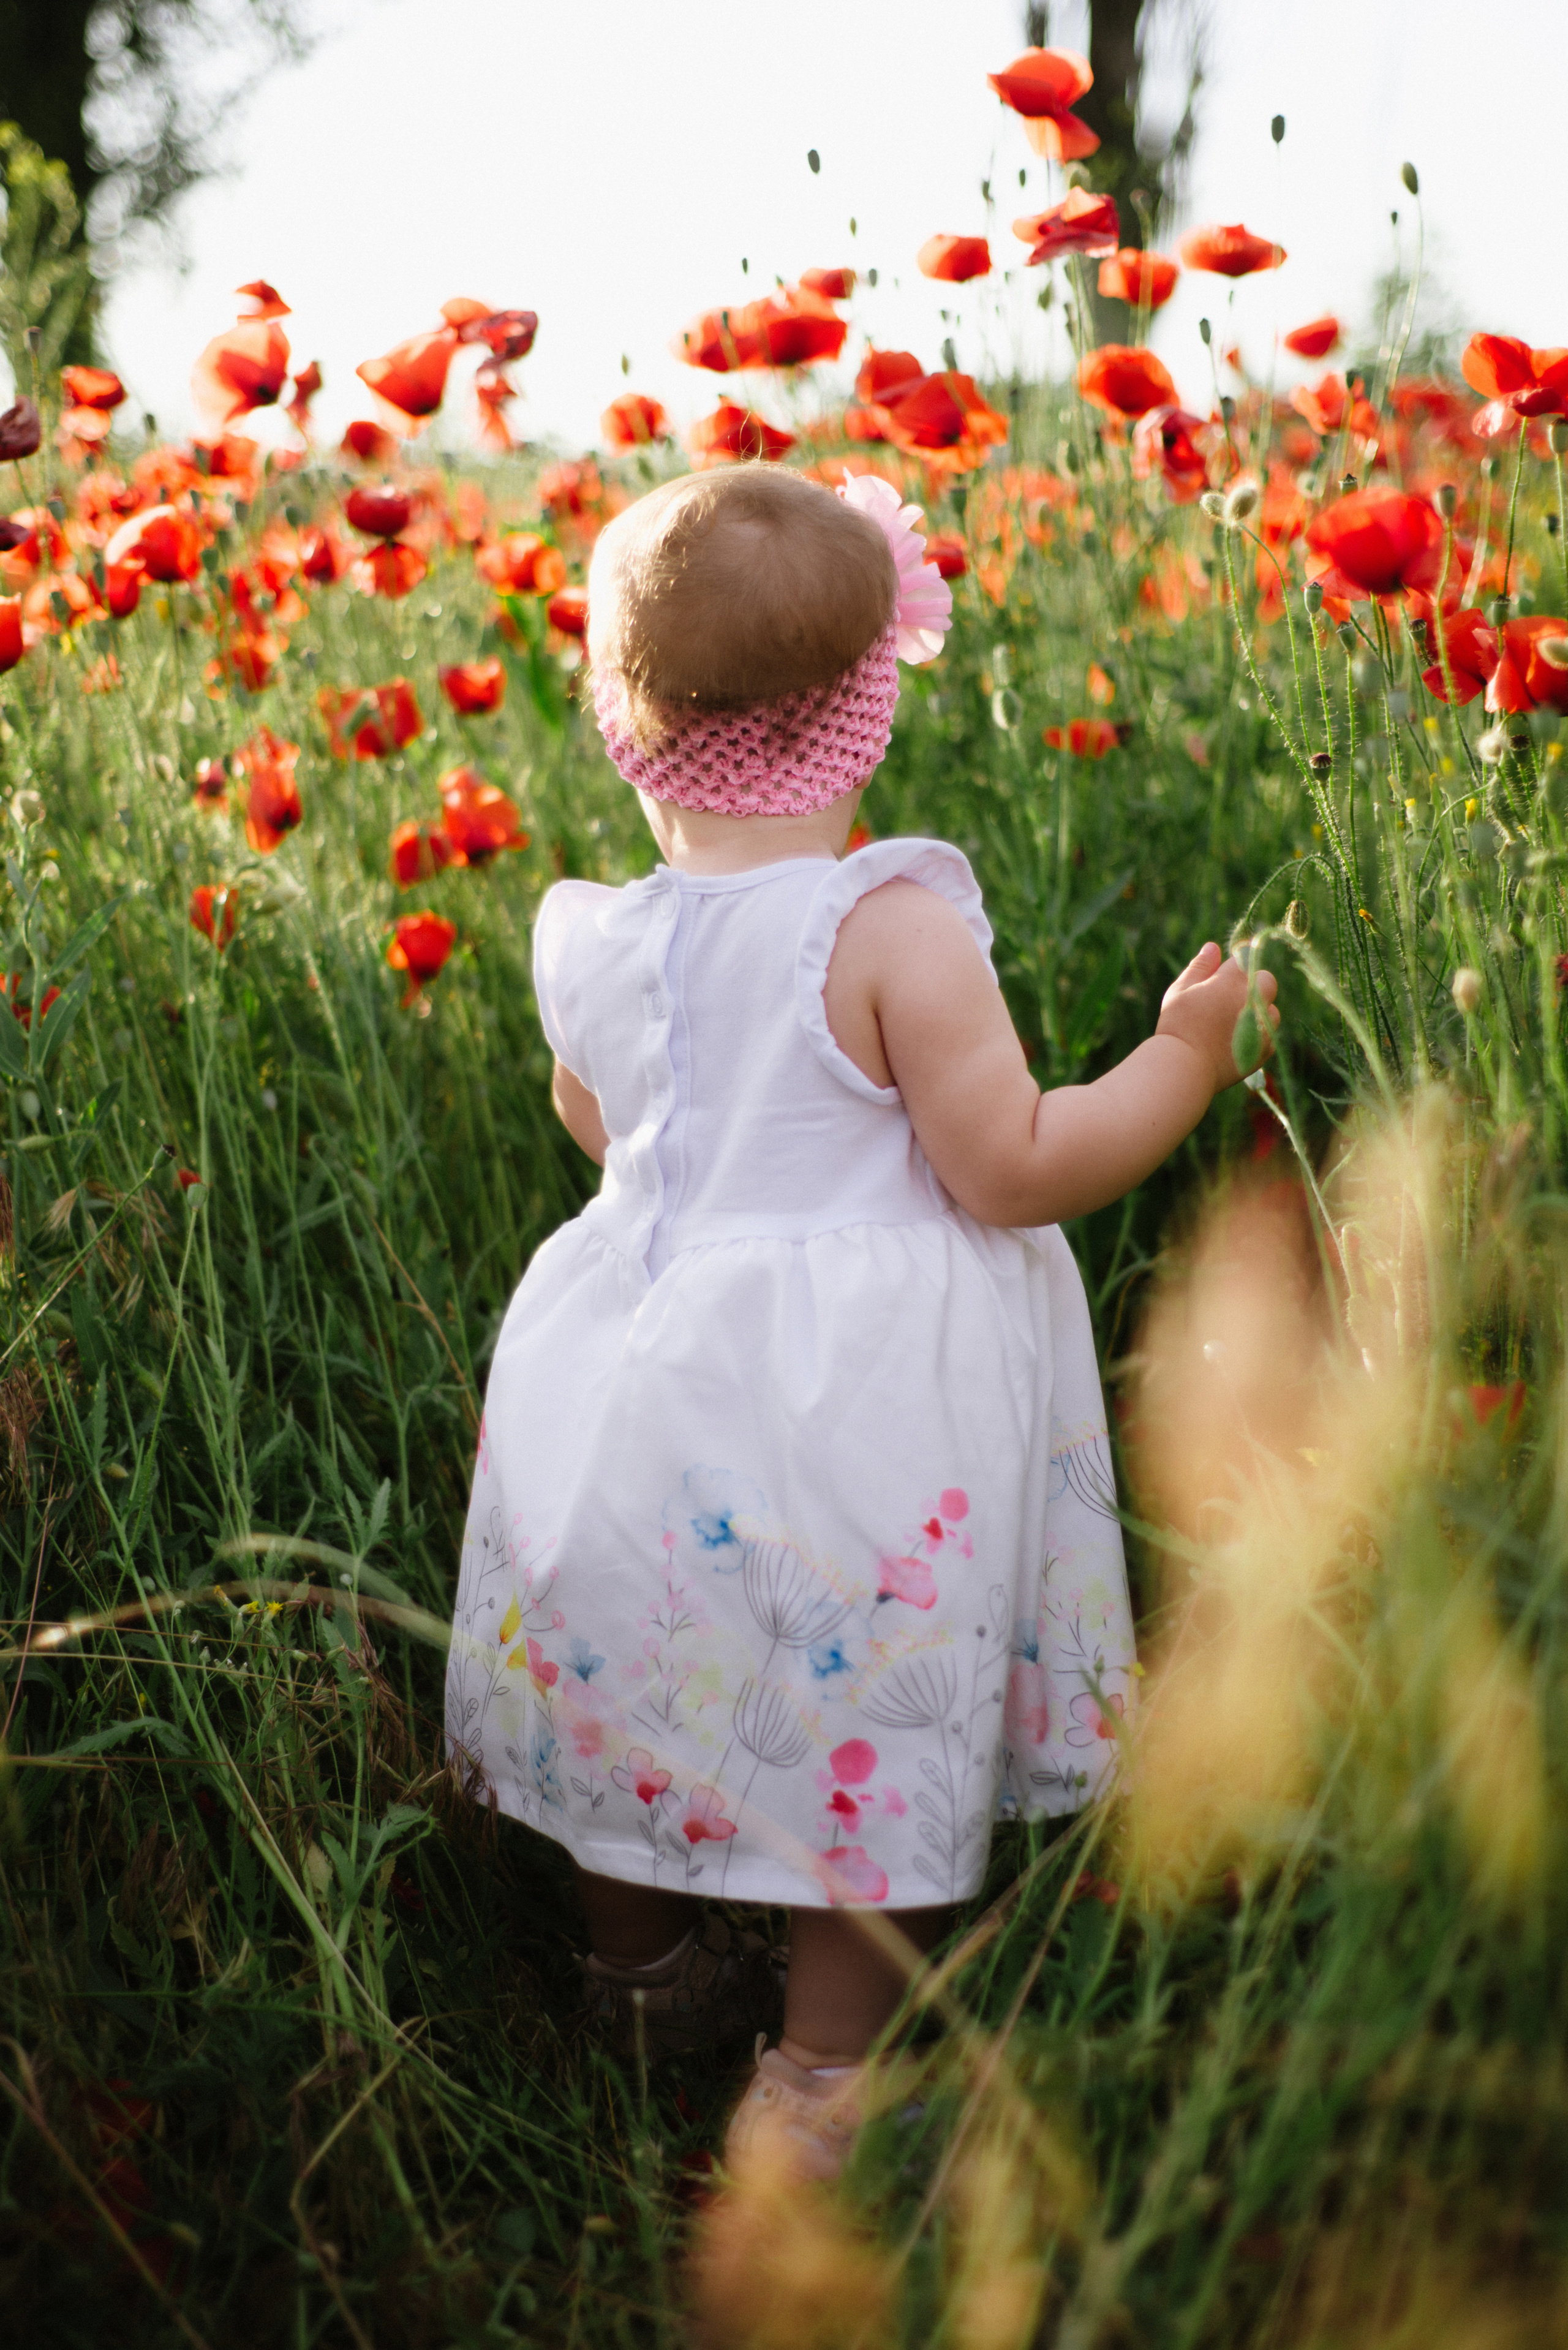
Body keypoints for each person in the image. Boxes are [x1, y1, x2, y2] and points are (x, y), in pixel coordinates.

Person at [444, 463, 1278, 2178]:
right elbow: (1013, 1164)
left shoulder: (599, 937)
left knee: (640, 1666)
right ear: (862, 719)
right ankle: (821, 2070)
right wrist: (1180, 1063)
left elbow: (603, 1123)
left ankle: (641, 1967)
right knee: (864, 1718)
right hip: (857, 1412)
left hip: (634, 1373)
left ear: (624, 730)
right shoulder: (887, 925)